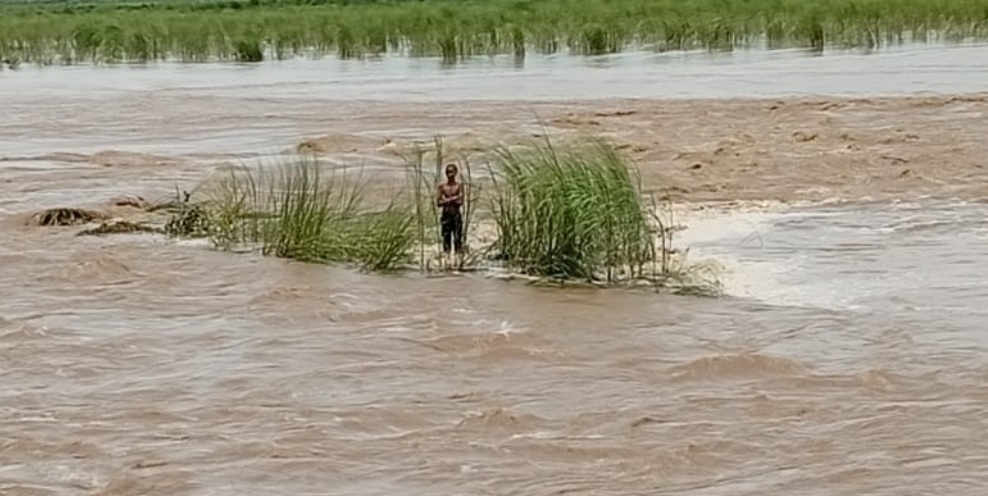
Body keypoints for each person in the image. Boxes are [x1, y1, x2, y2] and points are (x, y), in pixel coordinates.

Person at [436, 163, 464, 255]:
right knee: (446, 240)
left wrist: (447, 200)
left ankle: (457, 261)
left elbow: (460, 202)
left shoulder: (459, 186)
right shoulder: (442, 187)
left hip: (456, 215)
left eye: (451, 172)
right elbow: (439, 203)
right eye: (447, 172)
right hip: (446, 216)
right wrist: (454, 198)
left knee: (457, 239)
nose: (449, 174)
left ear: (456, 173)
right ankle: (446, 262)